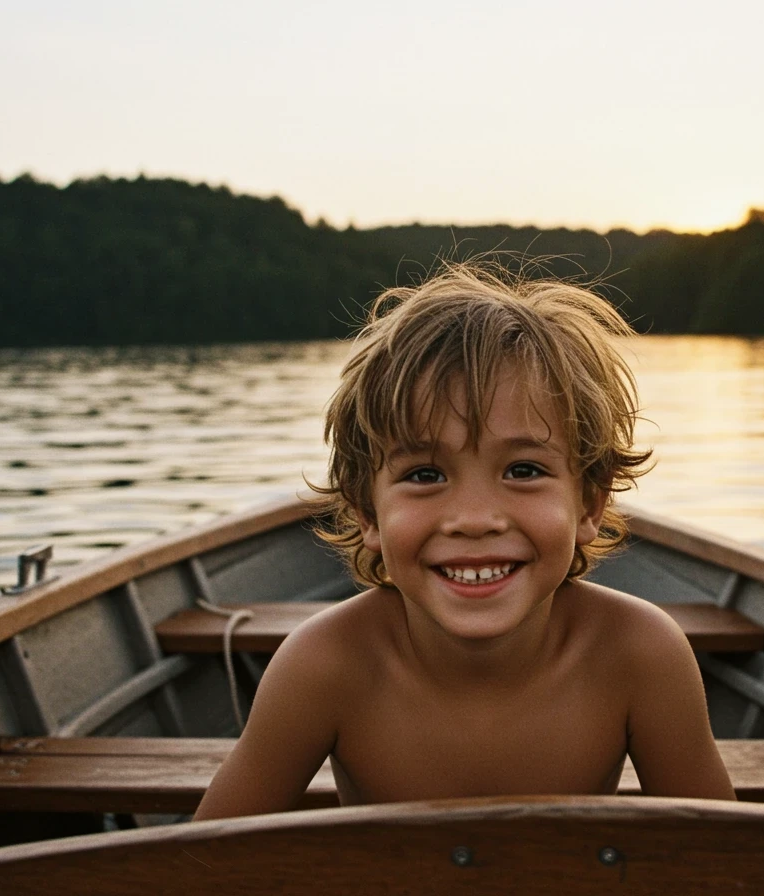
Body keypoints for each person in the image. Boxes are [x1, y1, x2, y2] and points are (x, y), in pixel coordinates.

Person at [194, 261, 735, 819]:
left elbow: (721, 864)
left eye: (523, 471)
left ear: (589, 504)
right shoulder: (325, 666)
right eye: (425, 475)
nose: (474, 519)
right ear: (368, 515)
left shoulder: (640, 655)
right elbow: (202, 866)